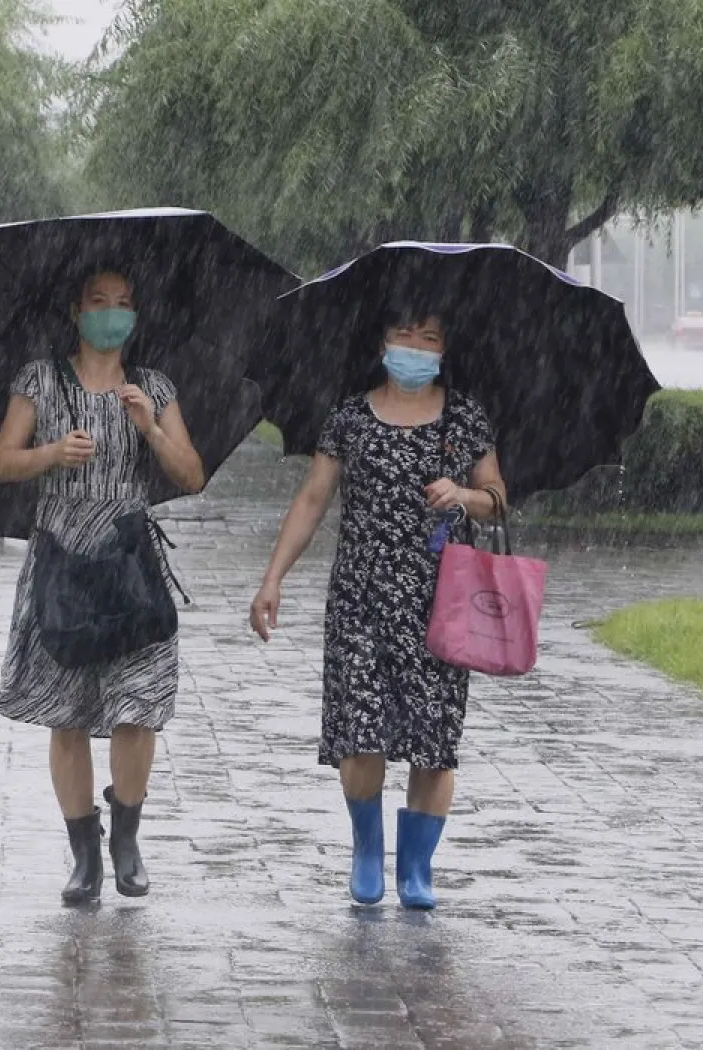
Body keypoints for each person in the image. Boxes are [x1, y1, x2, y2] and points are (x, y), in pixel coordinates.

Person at [249, 301, 506, 910]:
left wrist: (464, 494)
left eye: (429, 337)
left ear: (444, 350)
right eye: (403, 334)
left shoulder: (465, 415)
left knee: (432, 737)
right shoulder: (349, 418)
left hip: (440, 601)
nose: (414, 346)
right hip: (360, 598)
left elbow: (497, 498)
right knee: (360, 732)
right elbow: (313, 499)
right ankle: (367, 847)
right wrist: (273, 577)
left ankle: (417, 868)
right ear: (382, 341)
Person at [0, 270, 206, 905]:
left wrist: (152, 429)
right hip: (61, 561)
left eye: (123, 305)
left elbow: (190, 474)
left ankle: (127, 838)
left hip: (130, 563)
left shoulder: (153, 389)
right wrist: (51, 453)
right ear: (74, 310)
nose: (111, 315)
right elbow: (1, 462)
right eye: (98, 303)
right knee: (68, 714)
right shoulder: (41, 380)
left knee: (138, 708)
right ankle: (84, 852)